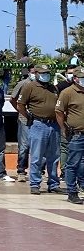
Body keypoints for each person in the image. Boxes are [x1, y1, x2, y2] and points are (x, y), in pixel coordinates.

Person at [17, 64, 61, 195]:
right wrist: (28, 117)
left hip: (53, 125)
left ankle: (53, 183)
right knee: (37, 156)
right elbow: (20, 105)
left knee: (54, 156)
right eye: (43, 73)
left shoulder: (53, 88)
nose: (45, 75)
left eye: (47, 73)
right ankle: (35, 183)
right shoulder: (29, 87)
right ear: (36, 73)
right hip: (38, 124)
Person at [56, 67, 84, 204]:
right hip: (76, 134)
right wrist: (63, 128)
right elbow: (59, 112)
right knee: (73, 164)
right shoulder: (67, 92)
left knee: (82, 164)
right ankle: (72, 192)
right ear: (75, 78)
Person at [9, 63, 37, 182]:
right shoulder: (23, 84)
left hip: (38, 120)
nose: (35, 74)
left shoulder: (43, 86)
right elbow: (13, 99)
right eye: (33, 72)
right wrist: (21, 111)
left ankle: (38, 170)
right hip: (25, 119)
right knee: (24, 146)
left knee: (38, 146)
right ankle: (21, 170)